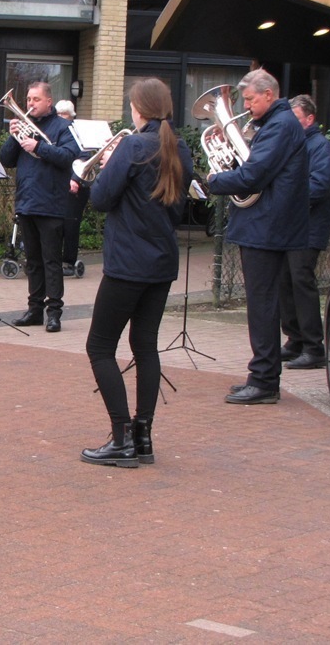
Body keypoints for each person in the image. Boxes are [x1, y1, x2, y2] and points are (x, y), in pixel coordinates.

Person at [81, 78, 194, 468]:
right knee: (145, 346)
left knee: (99, 347)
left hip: (128, 262)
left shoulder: (132, 145)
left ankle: (121, 438)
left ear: (138, 108)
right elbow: (177, 209)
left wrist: (108, 165)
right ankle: (143, 438)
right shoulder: (180, 147)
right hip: (161, 262)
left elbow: (100, 199)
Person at [206, 69, 308, 405]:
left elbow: (255, 173)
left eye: (250, 99)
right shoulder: (275, 124)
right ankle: (261, 375)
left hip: (267, 226)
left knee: (262, 305)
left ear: (268, 94)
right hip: (265, 224)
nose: (246, 106)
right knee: (261, 303)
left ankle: (264, 381)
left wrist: (216, 180)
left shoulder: (279, 125)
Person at [0, 81, 80, 332]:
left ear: (48, 101)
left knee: (51, 261)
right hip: (27, 201)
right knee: (32, 261)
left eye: (35, 99)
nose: (30, 104)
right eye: (28, 99)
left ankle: (54, 312)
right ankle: (34, 310)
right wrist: (13, 137)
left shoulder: (63, 127)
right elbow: (6, 160)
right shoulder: (23, 125)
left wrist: (39, 147)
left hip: (51, 203)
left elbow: (69, 157)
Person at [279, 94, 330, 370]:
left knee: (301, 283)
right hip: (291, 227)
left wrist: (285, 196)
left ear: (310, 119)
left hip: (308, 228)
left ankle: (314, 347)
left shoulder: (321, 147)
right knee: (285, 282)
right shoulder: (297, 145)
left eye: (295, 118)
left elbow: (320, 186)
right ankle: (295, 339)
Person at [55, 99, 90, 277]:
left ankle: (69, 261)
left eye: (64, 115)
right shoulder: (57, 131)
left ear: (71, 116)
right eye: (58, 114)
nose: (61, 118)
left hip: (76, 185)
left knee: (71, 224)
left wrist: (75, 179)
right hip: (59, 185)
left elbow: (85, 158)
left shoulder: (79, 132)